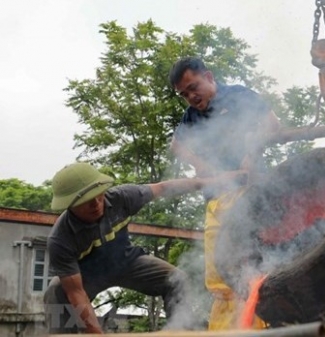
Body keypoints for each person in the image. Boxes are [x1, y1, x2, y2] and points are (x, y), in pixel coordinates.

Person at [44, 162, 228, 334]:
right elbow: (76, 293)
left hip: (126, 262)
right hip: (87, 276)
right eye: (86, 200)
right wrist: (96, 334)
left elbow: (163, 188)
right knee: (56, 290)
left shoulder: (121, 198)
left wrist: (208, 182)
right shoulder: (61, 239)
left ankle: (179, 332)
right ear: (70, 205)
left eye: (98, 195)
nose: (96, 203)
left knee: (177, 279)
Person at [168, 56, 280, 330]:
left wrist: (253, 153)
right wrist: (201, 165)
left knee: (249, 267)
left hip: (249, 194)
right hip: (216, 198)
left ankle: (259, 328)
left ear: (208, 76)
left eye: (194, 87)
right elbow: (176, 145)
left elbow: (273, 124)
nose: (191, 96)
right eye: (184, 94)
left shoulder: (238, 95)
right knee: (218, 274)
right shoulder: (191, 116)